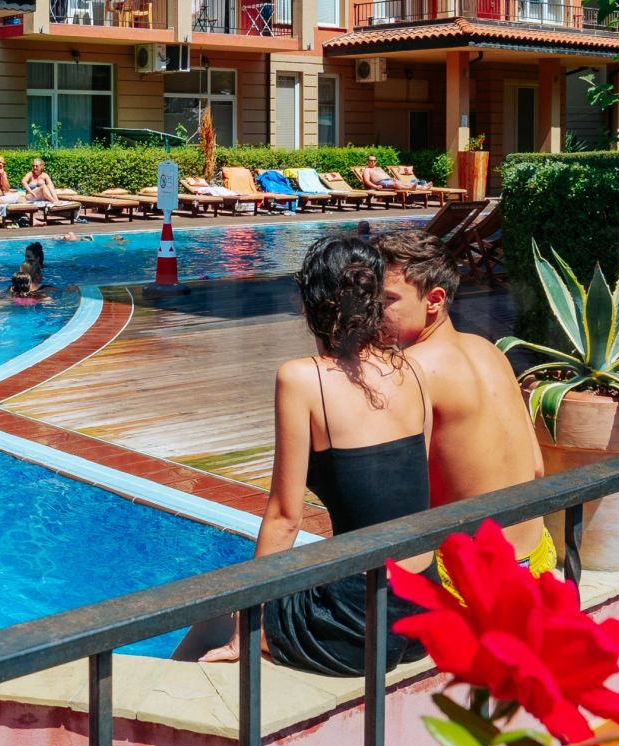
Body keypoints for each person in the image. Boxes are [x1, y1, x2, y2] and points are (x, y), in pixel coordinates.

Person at [172, 233, 433, 675]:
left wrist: (247, 629)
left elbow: (285, 518)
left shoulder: (303, 379)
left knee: (221, 610)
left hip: (361, 623)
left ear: (308, 304)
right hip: (422, 610)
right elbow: (407, 493)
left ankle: (169, 693)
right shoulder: (413, 368)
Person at [377, 229, 556, 572]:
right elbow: (536, 466)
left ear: (434, 300)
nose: (373, 311)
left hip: (471, 573)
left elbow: (397, 496)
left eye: (386, 300)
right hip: (535, 558)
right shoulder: (491, 350)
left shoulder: (410, 370)